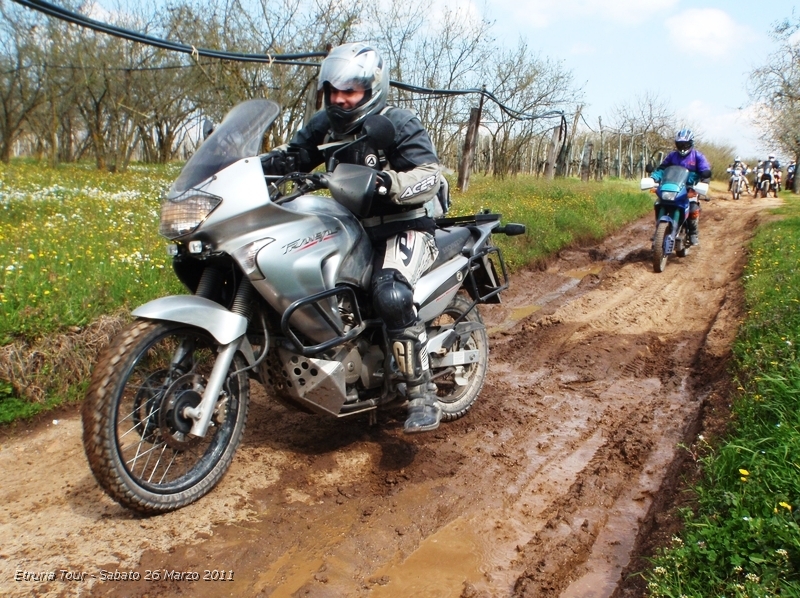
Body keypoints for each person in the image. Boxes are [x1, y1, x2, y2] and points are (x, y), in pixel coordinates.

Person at [261, 42, 444, 434]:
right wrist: (249, 166)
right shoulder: (322, 126)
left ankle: (421, 393)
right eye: (333, 90)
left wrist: (387, 183)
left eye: (351, 91)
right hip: (350, 227)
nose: (341, 99)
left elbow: (430, 175)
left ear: (372, 88)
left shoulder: (397, 122)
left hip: (405, 226)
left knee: (390, 292)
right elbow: (292, 156)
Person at [650, 129, 712, 246]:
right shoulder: (672, 156)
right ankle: (659, 231)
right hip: (672, 187)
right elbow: (662, 169)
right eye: (680, 144)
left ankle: (693, 233)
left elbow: (705, 170)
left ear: (691, 143)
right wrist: (653, 178)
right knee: (659, 203)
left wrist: (704, 182)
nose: (682, 147)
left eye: (685, 144)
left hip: (690, 189)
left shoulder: (698, 156)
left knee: (693, 208)